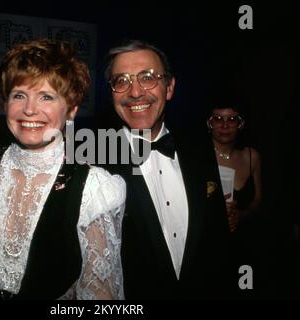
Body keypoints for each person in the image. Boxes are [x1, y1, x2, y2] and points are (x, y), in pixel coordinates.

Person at [0, 39, 125, 300]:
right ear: (5, 103)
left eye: (46, 96)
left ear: (72, 109)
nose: (29, 109)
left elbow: (100, 293)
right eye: (19, 95)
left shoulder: (94, 190)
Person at [102, 39, 234, 299]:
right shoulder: (94, 164)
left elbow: (217, 244)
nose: (135, 92)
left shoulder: (199, 150)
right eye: (122, 81)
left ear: (170, 87)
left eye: (148, 78)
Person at [207, 101, 263, 296]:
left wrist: (242, 215)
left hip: (244, 249)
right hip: (208, 252)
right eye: (217, 119)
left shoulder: (251, 156)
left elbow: (258, 202)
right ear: (209, 123)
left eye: (231, 119)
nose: (224, 125)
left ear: (241, 123)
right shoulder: (198, 158)